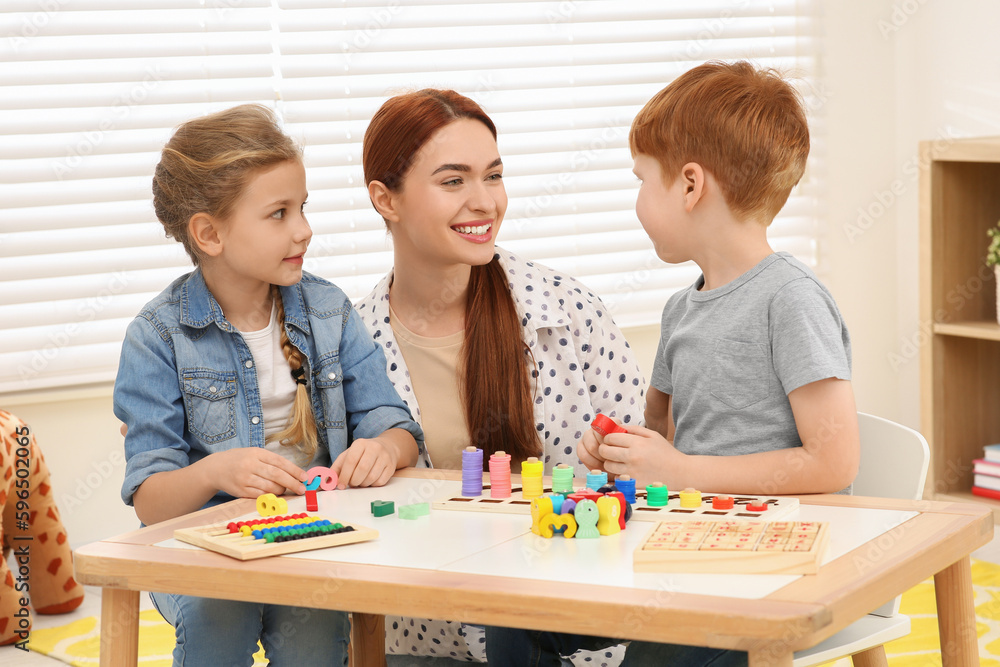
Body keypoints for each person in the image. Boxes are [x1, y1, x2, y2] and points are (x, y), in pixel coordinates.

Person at [114, 104, 422, 666]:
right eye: (278, 213)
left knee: (314, 628)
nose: (303, 229)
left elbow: (394, 424)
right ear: (209, 233)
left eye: (302, 208)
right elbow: (151, 503)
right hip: (201, 551)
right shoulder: (156, 336)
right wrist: (214, 472)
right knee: (220, 611)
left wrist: (382, 448)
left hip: (311, 536)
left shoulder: (328, 310)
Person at [579, 60, 860, 665]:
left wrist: (682, 472)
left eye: (641, 180)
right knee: (519, 619)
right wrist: (623, 451)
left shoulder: (791, 300)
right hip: (688, 541)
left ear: (688, 185)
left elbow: (834, 461)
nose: (636, 200)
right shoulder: (683, 307)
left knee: (660, 653)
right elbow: (664, 439)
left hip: (771, 559)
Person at [357, 89, 645, 665]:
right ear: (385, 199)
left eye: (494, 175)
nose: (484, 202)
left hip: (563, 641)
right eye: (453, 181)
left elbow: (646, 480)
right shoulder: (350, 343)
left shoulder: (567, 313)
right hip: (420, 643)